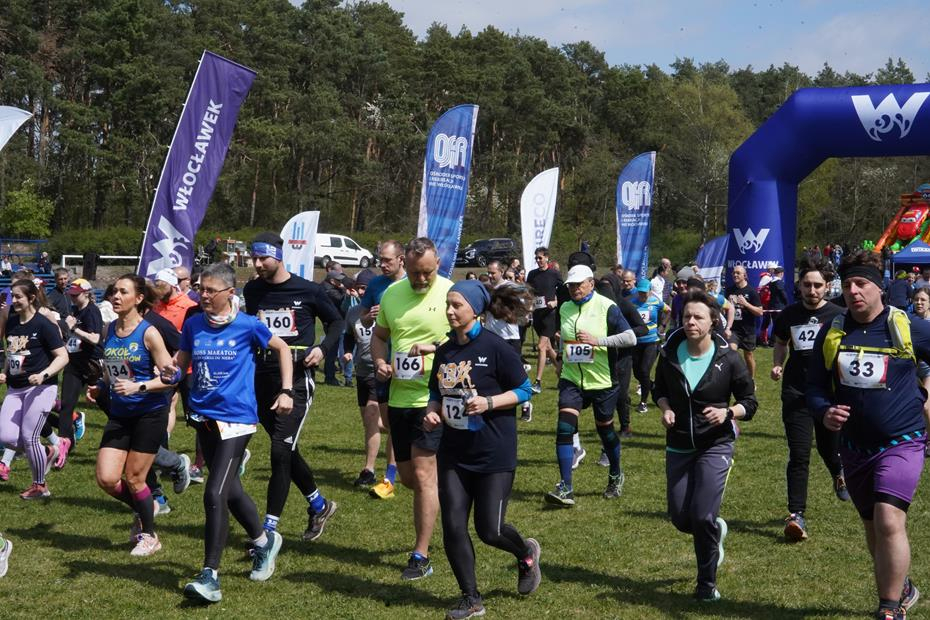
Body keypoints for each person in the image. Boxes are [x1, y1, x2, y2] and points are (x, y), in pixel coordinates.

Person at [808, 250, 930, 620]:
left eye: (861, 284)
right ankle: (903, 587)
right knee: (873, 528)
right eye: (847, 285)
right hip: (854, 446)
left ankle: (889, 608)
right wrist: (824, 410)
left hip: (902, 440)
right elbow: (813, 385)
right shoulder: (833, 330)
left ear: (879, 288)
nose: (853, 291)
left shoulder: (907, 326)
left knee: (889, 519)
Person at [164, 262, 291, 603]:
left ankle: (210, 576)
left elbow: (282, 348)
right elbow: (180, 362)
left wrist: (286, 391)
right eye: (200, 289)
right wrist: (170, 373)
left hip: (237, 418)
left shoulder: (248, 325)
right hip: (204, 416)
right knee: (231, 489)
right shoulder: (194, 324)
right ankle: (264, 542)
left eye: (210, 290)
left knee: (214, 492)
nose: (203, 295)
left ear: (229, 293)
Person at [421, 280, 541, 618]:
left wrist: (489, 402)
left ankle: (526, 555)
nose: (449, 311)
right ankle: (471, 598)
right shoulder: (445, 350)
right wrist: (432, 411)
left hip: (493, 453)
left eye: (456, 305)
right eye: (448, 304)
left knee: (491, 530)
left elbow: (525, 390)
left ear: (475, 310)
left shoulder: (496, 347)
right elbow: (436, 392)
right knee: (453, 526)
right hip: (454, 453)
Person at [653, 291, 757, 602]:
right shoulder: (669, 354)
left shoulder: (728, 358)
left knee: (701, 516)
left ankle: (706, 585)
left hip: (716, 444)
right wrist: (665, 409)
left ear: (713, 321)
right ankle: (714, 532)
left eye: (698, 317)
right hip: (679, 444)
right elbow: (659, 390)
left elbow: (750, 402)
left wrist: (728, 412)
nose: (691, 322)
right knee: (680, 518)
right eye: (686, 316)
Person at [243, 232, 343, 542]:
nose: (257, 264)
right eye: (254, 258)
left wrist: (323, 349)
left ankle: (268, 530)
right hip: (262, 377)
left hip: (298, 378)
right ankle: (319, 505)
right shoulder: (252, 290)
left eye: (263, 258)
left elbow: (337, 323)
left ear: (278, 256)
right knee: (286, 448)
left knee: (279, 450)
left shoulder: (309, 290)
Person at [371, 237, 453, 580]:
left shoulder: (451, 293)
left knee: (422, 475)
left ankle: (421, 555)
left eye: (427, 273)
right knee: (408, 479)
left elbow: (469, 337)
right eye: (416, 273)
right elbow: (379, 336)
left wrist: (434, 348)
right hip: (399, 398)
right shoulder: (392, 294)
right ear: (405, 265)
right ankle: (446, 490)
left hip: (433, 398)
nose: (421, 279)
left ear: (438, 265)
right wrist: (380, 362)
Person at [91, 274, 174, 556]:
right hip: (120, 413)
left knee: (135, 477)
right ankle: (146, 505)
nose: (116, 296)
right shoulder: (109, 329)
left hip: (149, 413)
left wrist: (139, 386)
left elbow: (170, 379)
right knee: (106, 478)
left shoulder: (149, 333)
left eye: (123, 292)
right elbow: (112, 369)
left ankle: (149, 536)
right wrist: (101, 386)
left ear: (138, 299)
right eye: (114, 291)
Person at [545, 265, 636, 507]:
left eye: (579, 284)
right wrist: (560, 358)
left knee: (605, 430)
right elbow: (565, 340)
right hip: (572, 379)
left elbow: (630, 337)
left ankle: (615, 474)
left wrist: (598, 341)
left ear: (591, 284)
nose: (574, 288)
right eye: (571, 285)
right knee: (564, 428)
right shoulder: (565, 307)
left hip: (602, 381)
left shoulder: (607, 307)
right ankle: (566, 487)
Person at [771, 257, 847, 542]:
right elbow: (780, 343)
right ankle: (796, 515)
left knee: (829, 449)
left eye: (817, 285)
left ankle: (839, 472)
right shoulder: (788, 315)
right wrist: (777, 364)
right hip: (796, 392)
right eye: (807, 285)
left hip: (829, 395)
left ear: (827, 286)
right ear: (799, 286)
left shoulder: (840, 315)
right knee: (799, 453)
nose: (812, 290)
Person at [0, 279, 69, 498]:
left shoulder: (43, 324)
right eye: (12, 296)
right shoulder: (11, 322)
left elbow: (63, 356)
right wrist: (4, 371)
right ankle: (48, 450)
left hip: (41, 387)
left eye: (18, 296)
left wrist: (43, 375)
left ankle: (40, 486)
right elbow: (13, 352)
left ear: (31, 298)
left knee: (30, 436)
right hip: (15, 388)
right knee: (7, 437)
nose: (14, 300)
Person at [359, 239, 407, 499]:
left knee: (396, 424)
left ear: (401, 259)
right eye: (380, 260)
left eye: (388, 260)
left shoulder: (412, 283)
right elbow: (363, 318)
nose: (383, 265)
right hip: (380, 362)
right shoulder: (376, 284)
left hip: (407, 362)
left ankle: (389, 477)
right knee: (387, 422)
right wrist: (369, 317)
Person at [343, 269, 396, 488]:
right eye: (360, 288)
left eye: (366, 288)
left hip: (382, 370)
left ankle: (372, 470)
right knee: (371, 422)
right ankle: (401, 433)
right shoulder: (354, 312)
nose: (363, 292)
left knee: (373, 415)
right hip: (362, 371)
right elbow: (348, 335)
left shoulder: (390, 308)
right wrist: (348, 351)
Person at [55, 278, 103, 468]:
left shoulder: (92, 311)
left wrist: (74, 328)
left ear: (87, 294)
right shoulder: (75, 310)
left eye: (76, 295)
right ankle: (64, 445)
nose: (73, 298)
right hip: (74, 363)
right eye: (72, 295)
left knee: (108, 405)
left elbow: (95, 338)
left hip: (92, 364)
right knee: (66, 405)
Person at [484, 261, 533, 421]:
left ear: (501, 271)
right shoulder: (487, 288)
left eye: (493, 273)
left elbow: (528, 298)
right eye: (489, 272)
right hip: (491, 337)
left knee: (515, 373)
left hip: (510, 338)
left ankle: (526, 404)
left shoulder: (510, 287)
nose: (490, 275)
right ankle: (497, 403)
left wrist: (523, 314)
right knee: (493, 372)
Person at [526, 247, 562, 393]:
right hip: (537, 314)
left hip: (550, 315)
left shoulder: (554, 274)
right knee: (547, 348)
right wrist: (529, 305)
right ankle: (562, 374)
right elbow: (528, 292)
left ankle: (538, 382)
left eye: (540, 258)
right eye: (536, 258)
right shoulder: (532, 274)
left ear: (547, 258)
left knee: (541, 346)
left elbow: (564, 292)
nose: (538, 260)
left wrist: (556, 302)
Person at [631, 278, 669, 414]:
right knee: (637, 373)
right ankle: (652, 386)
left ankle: (643, 403)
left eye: (644, 292)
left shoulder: (656, 302)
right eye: (640, 292)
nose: (642, 295)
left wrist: (662, 325)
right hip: (636, 342)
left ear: (650, 291)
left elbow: (668, 310)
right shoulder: (632, 303)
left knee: (644, 370)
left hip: (652, 341)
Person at [726, 265, 764, 377]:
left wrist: (746, 304)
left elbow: (760, 312)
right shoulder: (729, 290)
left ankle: (751, 379)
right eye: (734, 273)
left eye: (738, 273)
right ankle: (733, 378)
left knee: (748, 355)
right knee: (731, 351)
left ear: (744, 275)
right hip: (734, 329)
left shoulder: (751, 291)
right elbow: (724, 310)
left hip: (748, 330)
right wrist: (728, 304)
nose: (735, 275)